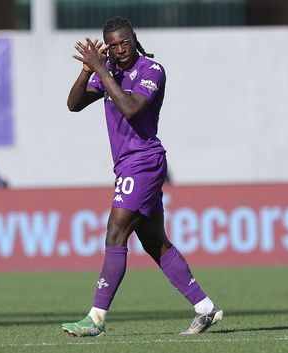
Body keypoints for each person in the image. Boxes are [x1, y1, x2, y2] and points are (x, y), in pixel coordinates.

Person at [61, 16, 222, 337]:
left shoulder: (151, 70)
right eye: (114, 45)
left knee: (115, 231)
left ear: (134, 40)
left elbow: (132, 107)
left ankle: (95, 318)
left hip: (143, 162)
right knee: (153, 242)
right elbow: (73, 105)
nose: (121, 50)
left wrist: (103, 70)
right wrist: (87, 70)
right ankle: (206, 308)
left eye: (125, 42)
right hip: (127, 164)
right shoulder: (112, 71)